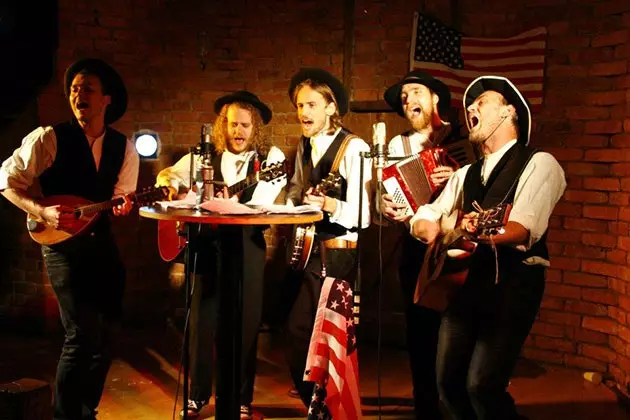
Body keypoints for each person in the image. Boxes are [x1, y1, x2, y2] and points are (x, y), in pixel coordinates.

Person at [409, 75, 566, 420]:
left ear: (510, 112)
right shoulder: (465, 173)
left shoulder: (540, 163)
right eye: (470, 105)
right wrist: (434, 230)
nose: (471, 108)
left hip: (512, 284)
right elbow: (426, 216)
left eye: (483, 102)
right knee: (447, 382)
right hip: (464, 285)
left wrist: (473, 231)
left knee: (482, 385)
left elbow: (523, 228)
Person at [0, 58, 139, 420]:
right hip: (61, 248)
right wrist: (41, 211)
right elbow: (5, 181)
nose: (79, 95)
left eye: (88, 88)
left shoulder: (124, 148)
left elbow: (121, 198)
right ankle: (64, 415)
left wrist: (122, 208)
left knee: (107, 336)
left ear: (106, 99)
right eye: (74, 89)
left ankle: (85, 409)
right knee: (80, 335)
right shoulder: (50, 137)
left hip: (100, 245)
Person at [155, 90, 286, 419]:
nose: (238, 131)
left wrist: (230, 202)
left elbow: (264, 202)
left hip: (246, 246)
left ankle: (241, 397)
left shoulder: (270, 158)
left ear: (255, 127)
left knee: (246, 322)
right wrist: (175, 187)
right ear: (222, 126)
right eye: (231, 125)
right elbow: (168, 175)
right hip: (206, 247)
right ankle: (197, 394)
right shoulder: (204, 155)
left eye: (244, 125)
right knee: (201, 321)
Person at [283, 68, 372, 407]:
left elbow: (363, 215)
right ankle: (316, 404)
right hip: (304, 250)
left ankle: (326, 405)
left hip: (337, 253)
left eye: (311, 105)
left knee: (314, 332)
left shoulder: (354, 147)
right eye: (299, 105)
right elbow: (295, 189)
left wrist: (331, 204)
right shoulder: (305, 144)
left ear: (332, 107)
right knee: (296, 331)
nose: (303, 113)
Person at [379, 70, 455, 420]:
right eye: (404, 97)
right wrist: (385, 206)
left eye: (416, 92)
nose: (409, 100)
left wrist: (456, 176)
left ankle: (454, 401)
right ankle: (427, 408)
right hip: (416, 246)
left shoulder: (461, 138)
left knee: (456, 327)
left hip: (457, 243)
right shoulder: (398, 146)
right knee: (421, 330)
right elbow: (391, 198)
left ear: (435, 97)